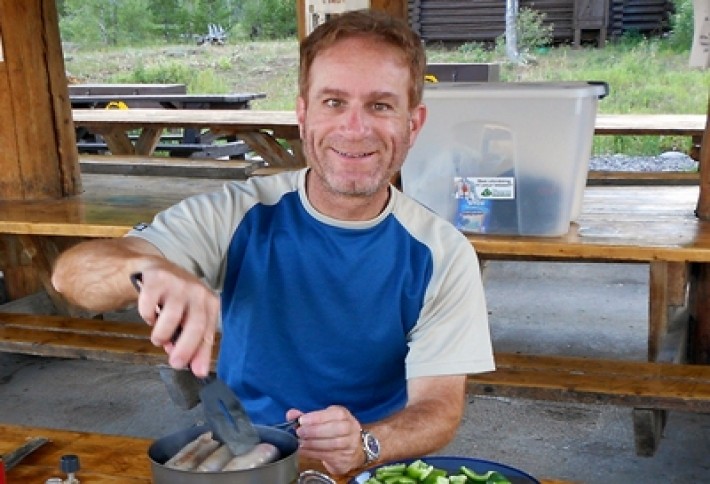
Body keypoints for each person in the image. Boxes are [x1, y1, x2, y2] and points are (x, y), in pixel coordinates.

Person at [51, 9, 494, 476]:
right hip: (241, 453)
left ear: (414, 123)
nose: (355, 128)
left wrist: (367, 442)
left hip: (368, 465)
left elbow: (439, 407)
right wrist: (148, 270)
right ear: (302, 114)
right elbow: (71, 277)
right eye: (333, 102)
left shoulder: (442, 252)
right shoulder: (238, 213)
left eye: (381, 105)